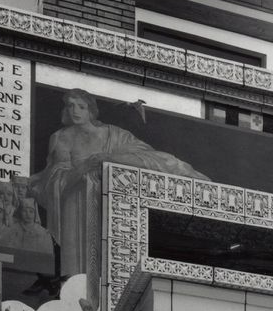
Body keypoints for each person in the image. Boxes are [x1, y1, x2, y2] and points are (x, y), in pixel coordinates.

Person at [27, 89, 208, 283]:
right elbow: (57, 177)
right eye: (70, 106)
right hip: (77, 203)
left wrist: (109, 158)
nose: (75, 111)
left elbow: (146, 155)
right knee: (78, 274)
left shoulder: (114, 134)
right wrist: (87, 166)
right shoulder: (61, 137)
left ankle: (200, 184)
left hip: (113, 202)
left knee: (163, 161)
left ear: (91, 110)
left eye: (81, 106)